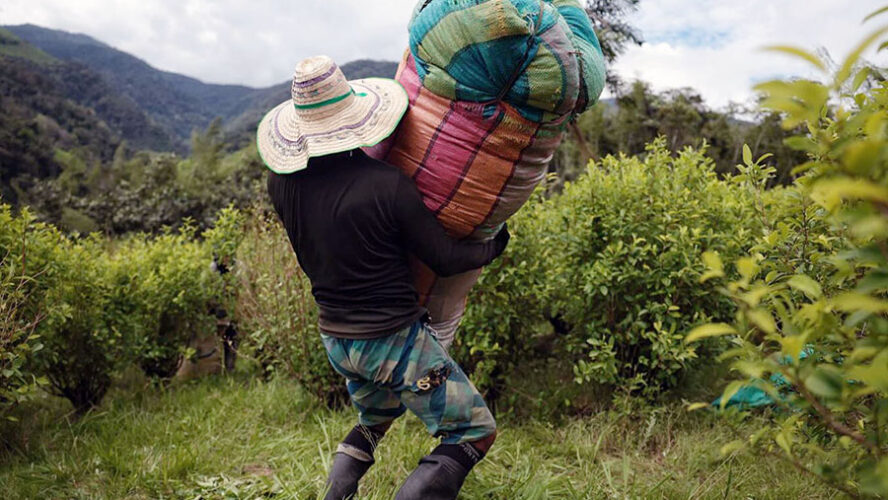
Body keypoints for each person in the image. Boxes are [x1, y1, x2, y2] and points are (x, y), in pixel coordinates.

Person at [257, 55, 509, 500]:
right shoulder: (386, 185)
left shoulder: (281, 186)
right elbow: (446, 258)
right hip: (392, 342)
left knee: (374, 420)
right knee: (473, 432)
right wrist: (493, 245)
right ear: (356, 119)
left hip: (337, 340)